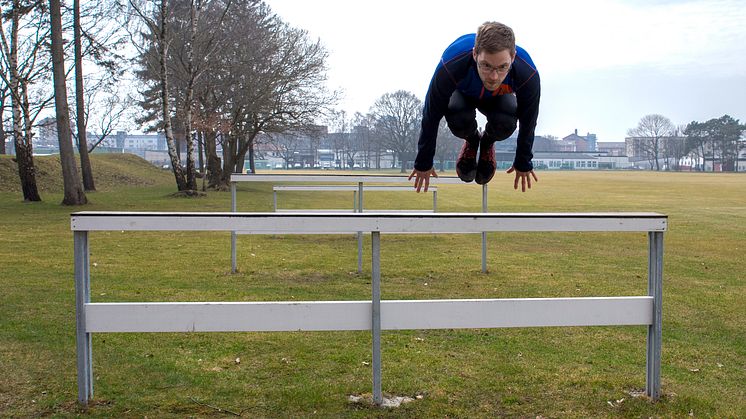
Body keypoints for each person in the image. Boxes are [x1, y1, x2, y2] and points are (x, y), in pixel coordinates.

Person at [408, 21, 540, 193]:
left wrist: (523, 161)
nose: (494, 77)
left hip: (497, 99)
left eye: (502, 67)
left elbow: (528, 120)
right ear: (475, 54)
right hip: (463, 95)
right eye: (486, 66)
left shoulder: (527, 73)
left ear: (513, 57)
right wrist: (424, 162)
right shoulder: (451, 64)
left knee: (506, 121)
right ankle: (471, 140)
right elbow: (431, 114)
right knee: (457, 116)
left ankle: (487, 142)